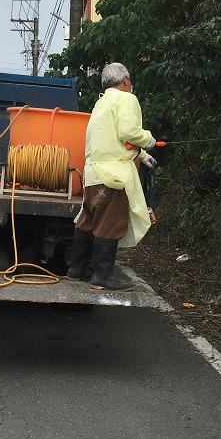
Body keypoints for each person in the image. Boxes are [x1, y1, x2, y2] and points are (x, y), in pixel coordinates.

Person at [68, 62, 157, 290]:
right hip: (113, 176)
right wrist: (148, 140)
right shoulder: (126, 99)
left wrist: (141, 154)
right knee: (109, 224)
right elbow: (129, 132)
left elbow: (114, 139)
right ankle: (102, 277)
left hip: (93, 174)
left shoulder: (101, 103)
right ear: (125, 79)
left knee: (87, 222)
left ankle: (76, 269)